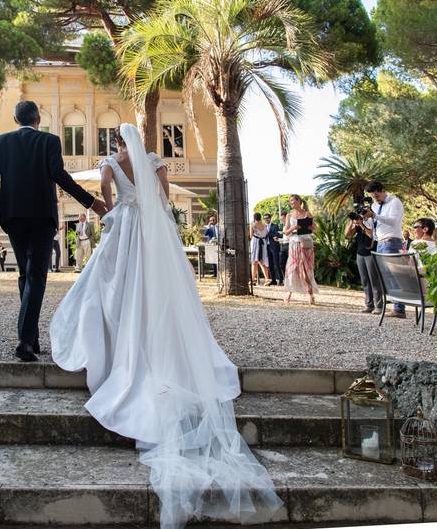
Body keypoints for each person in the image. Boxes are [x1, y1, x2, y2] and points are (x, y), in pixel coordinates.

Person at [50, 123, 283, 528]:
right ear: (141, 142)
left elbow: (107, 199)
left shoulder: (109, 164)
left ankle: (111, 341)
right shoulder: (156, 163)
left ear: (118, 143)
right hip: (153, 233)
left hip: (123, 227)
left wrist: (115, 205)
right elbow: (162, 200)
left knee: (110, 286)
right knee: (157, 290)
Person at [0, 100, 106, 362]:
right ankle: (25, 342)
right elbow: (60, 176)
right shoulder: (50, 141)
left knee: (26, 274)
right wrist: (91, 202)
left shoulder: (0, 141)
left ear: (16, 120)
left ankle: (32, 338)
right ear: (38, 119)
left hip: (12, 216)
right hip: (41, 216)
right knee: (36, 275)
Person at [364, 180, 406, 317]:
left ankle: (399, 309)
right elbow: (374, 224)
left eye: (376, 195)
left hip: (392, 242)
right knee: (386, 276)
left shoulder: (394, 202)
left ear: (382, 190)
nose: (375, 198)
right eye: (372, 196)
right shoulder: (375, 206)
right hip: (380, 242)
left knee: (394, 275)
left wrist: (374, 215)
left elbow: (393, 221)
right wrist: (364, 220)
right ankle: (396, 306)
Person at [282, 194, 318, 304]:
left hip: (306, 244)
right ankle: (289, 293)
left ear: (299, 201)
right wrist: (294, 227)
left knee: (307, 269)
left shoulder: (307, 213)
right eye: (290, 201)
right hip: (294, 244)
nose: (291, 203)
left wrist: (309, 227)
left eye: (292, 201)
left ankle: (311, 295)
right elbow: (286, 232)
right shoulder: (289, 215)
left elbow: (315, 228)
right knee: (292, 268)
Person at [346, 211, 382, 314]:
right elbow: (347, 235)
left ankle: (379, 306)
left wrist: (362, 224)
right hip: (360, 254)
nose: (358, 219)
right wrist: (351, 223)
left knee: (374, 280)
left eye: (360, 217)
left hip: (371, 253)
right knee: (365, 280)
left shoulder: (371, 221)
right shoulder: (356, 226)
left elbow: (371, 235)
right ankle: (369, 305)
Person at [249, 212, 272, 285]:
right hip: (263, 243)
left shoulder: (252, 224)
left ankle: (253, 279)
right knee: (263, 261)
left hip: (256, 242)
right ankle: (267, 279)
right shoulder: (264, 225)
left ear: (254, 218)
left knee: (254, 262)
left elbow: (250, 235)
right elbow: (266, 234)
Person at [263, 213, 283, 285]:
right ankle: (273, 280)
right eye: (265, 218)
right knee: (270, 264)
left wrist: (268, 233)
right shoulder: (263, 227)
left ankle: (281, 280)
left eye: (267, 218)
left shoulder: (275, 226)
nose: (266, 219)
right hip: (267, 247)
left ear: (270, 218)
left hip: (274, 246)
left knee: (276, 264)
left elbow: (276, 235)